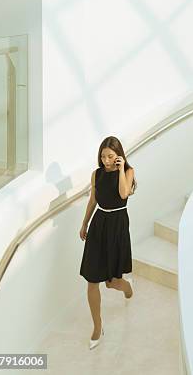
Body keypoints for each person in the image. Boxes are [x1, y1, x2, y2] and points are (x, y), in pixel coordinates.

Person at [79, 135, 137, 349]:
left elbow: (123, 193)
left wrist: (121, 169)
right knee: (92, 280)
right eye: (103, 156)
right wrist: (84, 223)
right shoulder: (97, 174)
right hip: (99, 224)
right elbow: (93, 199)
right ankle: (97, 327)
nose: (106, 160)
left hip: (117, 226)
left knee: (111, 282)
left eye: (110, 156)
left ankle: (127, 287)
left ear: (119, 155)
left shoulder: (128, 172)